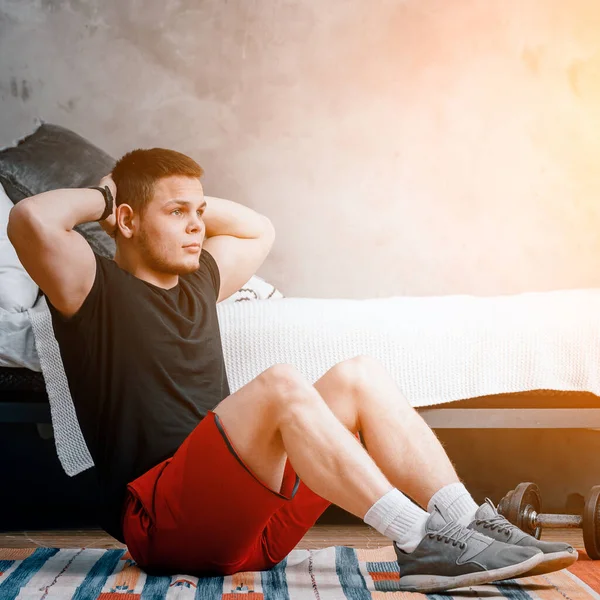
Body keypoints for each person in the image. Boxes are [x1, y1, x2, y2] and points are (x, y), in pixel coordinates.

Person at [8, 148, 576, 592]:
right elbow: (32, 218)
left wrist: (183, 198)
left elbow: (258, 228)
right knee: (281, 384)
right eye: (177, 213)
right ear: (126, 221)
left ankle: (465, 523)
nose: (196, 227)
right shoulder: (90, 287)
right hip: (164, 524)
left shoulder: (199, 284)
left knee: (359, 375)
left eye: (199, 213)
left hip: (249, 530)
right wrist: (110, 198)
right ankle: (419, 537)